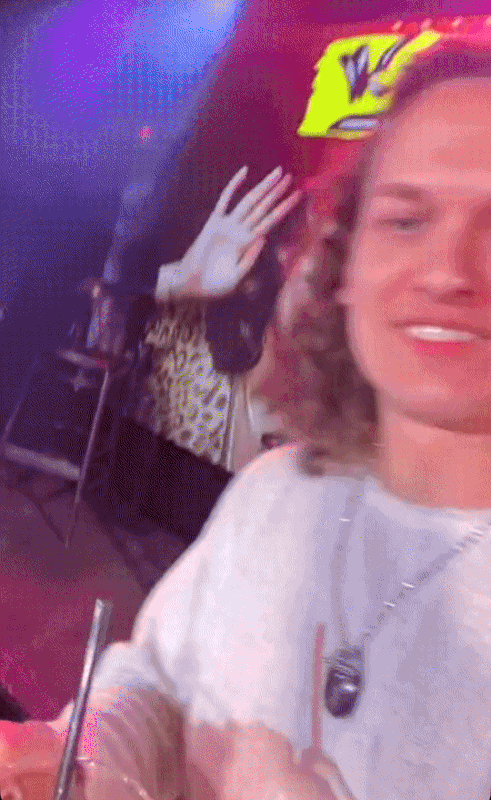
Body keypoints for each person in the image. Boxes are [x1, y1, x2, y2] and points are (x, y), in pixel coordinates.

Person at [4, 36, 491, 800]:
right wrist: (75, 762)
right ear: (345, 265)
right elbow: (156, 681)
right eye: (405, 220)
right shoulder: (277, 489)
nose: (446, 270)